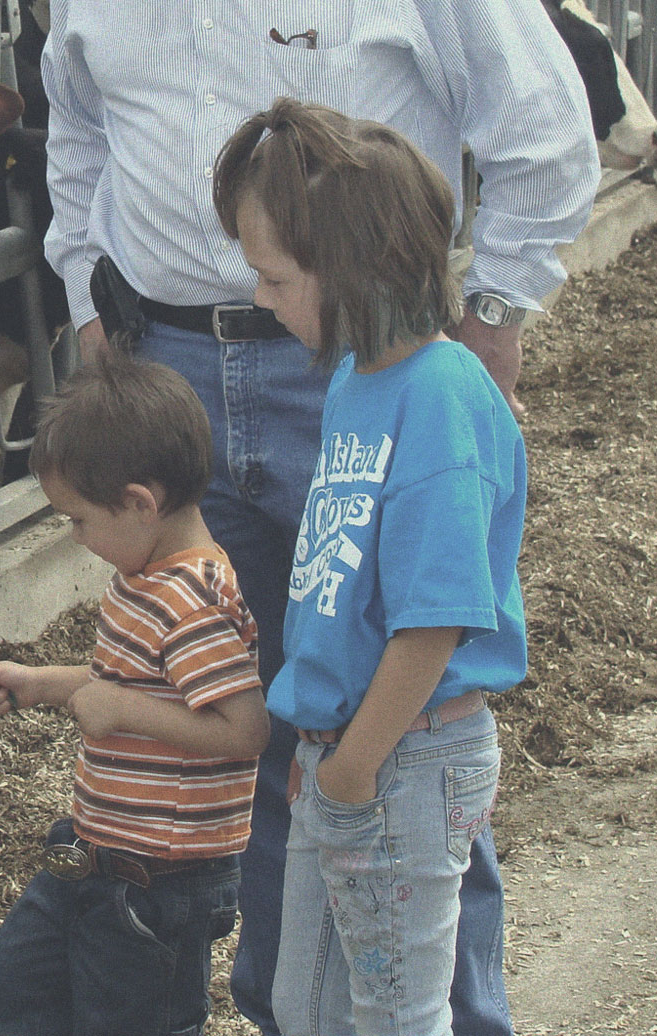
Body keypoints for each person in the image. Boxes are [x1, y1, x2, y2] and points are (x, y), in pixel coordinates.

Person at [31, 0, 598, 1036]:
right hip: (168, 375)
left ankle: (444, 1020)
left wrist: (484, 331)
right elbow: (76, 132)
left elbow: (540, 124)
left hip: (349, 379)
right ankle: (301, 1015)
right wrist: (87, 311)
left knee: (392, 731)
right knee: (258, 719)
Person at [213, 97, 526, 1035]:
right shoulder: (357, 379)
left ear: (348, 267)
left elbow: (434, 618)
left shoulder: (437, 393)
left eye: (274, 276)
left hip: (405, 755)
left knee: (394, 1016)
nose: (261, 298)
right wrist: (326, 750)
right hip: (345, 750)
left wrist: (353, 767)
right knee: (304, 1006)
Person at [0, 352, 270, 1036]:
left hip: (159, 879)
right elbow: (128, 683)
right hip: (95, 853)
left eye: (77, 520)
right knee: (11, 979)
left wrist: (125, 710)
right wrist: (42, 683)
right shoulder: (146, 577)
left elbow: (245, 729)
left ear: (139, 503)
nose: (76, 538)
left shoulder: (190, 601)